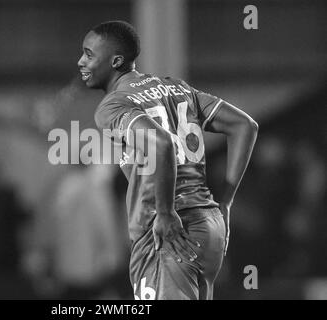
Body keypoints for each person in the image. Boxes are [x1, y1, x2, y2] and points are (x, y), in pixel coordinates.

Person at [77, 21, 258, 300]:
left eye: (89, 54)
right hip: (209, 222)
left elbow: (160, 143)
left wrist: (164, 212)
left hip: (168, 230)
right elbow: (245, 126)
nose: (81, 62)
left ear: (116, 60)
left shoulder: (113, 105)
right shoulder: (177, 88)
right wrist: (225, 202)